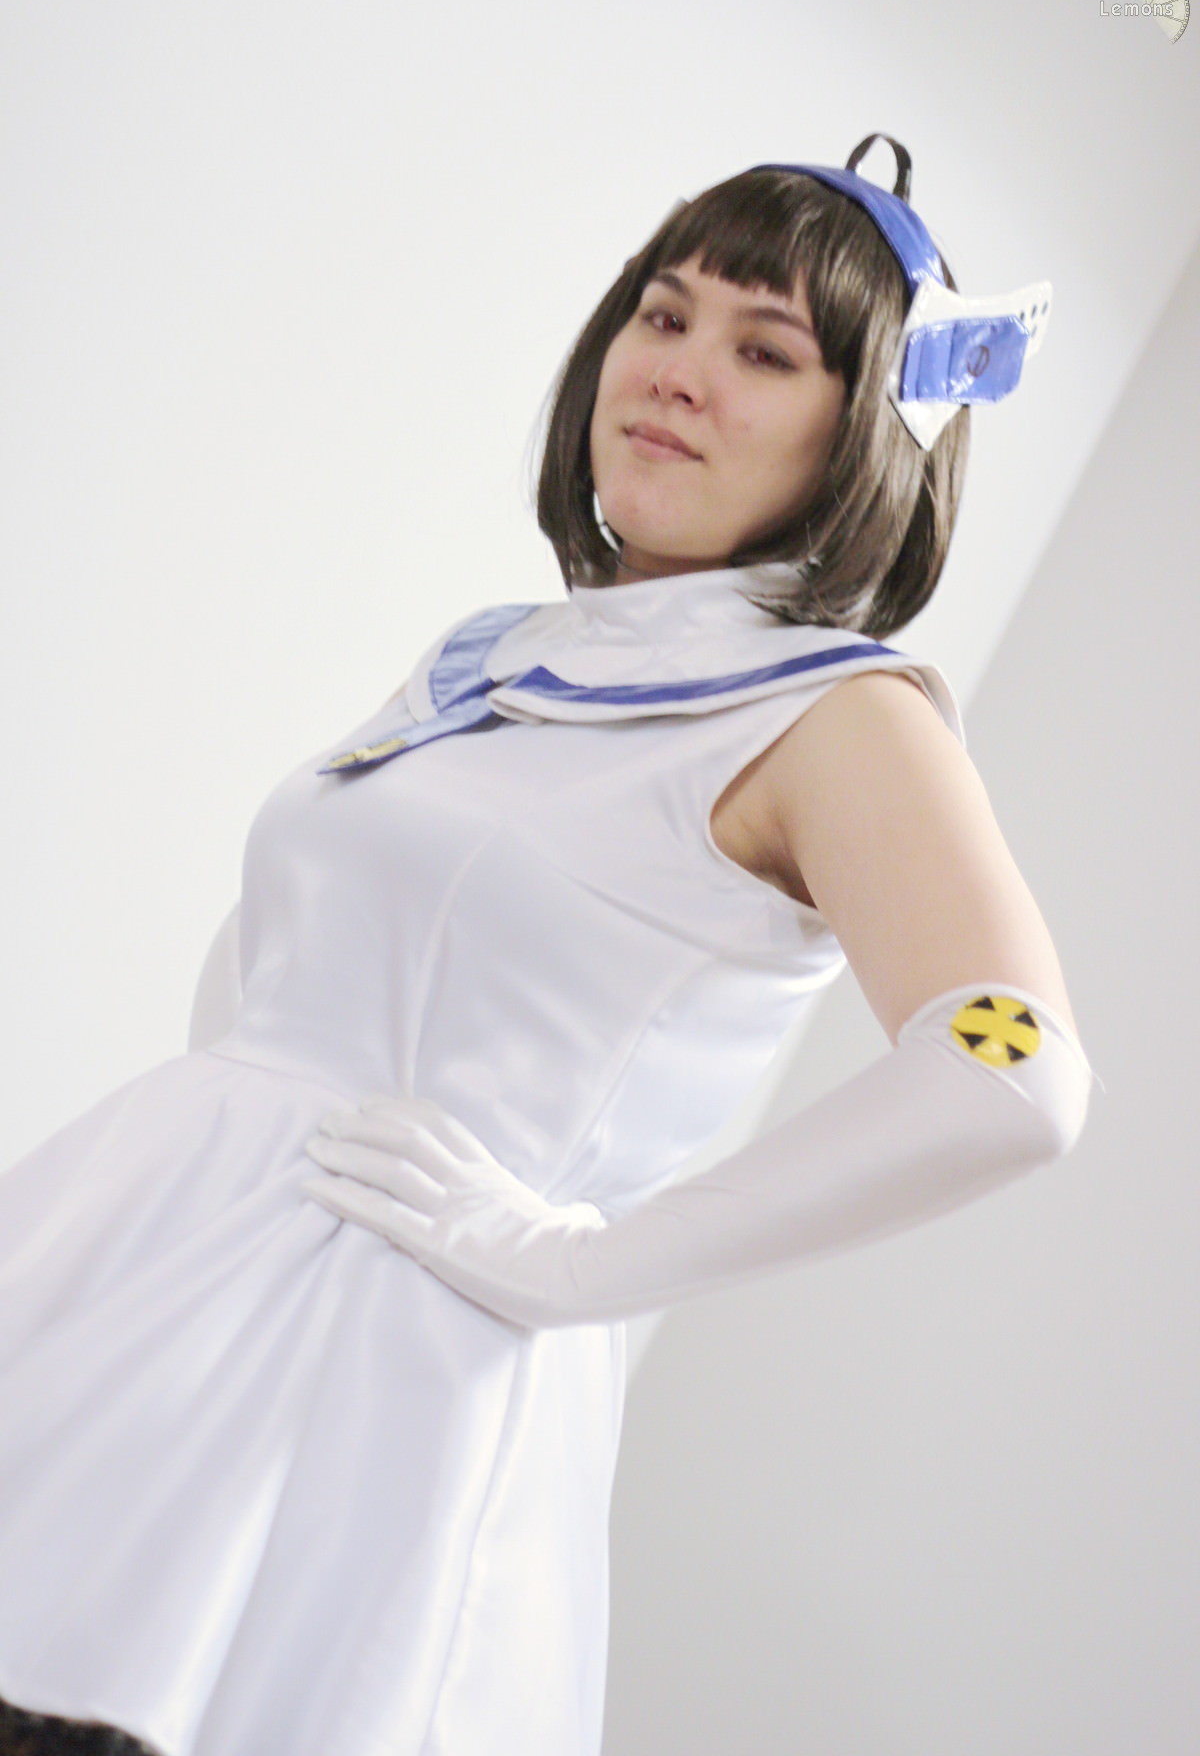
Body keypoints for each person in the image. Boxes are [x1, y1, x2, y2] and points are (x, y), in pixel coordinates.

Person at [0, 136, 1093, 1756]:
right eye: (664, 314)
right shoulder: (491, 661)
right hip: (131, 1312)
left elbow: (1014, 1068)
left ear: (863, 428)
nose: (679, 372)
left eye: (765, 352)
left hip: (363, 1407)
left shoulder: (841, 718)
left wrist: (580, 1264)